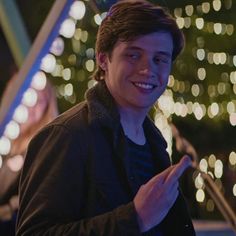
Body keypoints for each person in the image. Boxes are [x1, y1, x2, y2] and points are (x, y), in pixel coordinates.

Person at [16, 0, 196, 235]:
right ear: (103, 59)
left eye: (160, 59)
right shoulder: (67, 136)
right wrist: (135, 218)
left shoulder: (156, 144)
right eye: (133, 55)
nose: (148, 69)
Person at [0, 79, 58, 235]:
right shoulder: (6, 142)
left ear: (47, 107)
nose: (31, 106)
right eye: (27, 97)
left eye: (40, 101)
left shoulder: (43, 149)